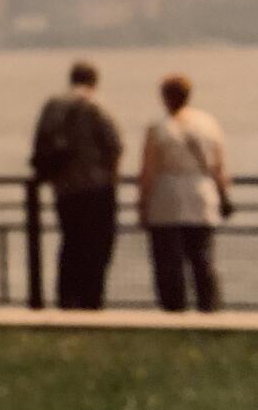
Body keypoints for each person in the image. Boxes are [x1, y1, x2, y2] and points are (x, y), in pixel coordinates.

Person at [30, 60, 123, 309]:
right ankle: (91, 300)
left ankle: (66, 299)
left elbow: (39, 145)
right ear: (94, 81)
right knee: (97, 247)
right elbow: (114, 145)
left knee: (70, 243)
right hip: (96, 188)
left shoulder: (52, 105)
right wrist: (111, 178)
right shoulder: (96, 106)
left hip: (64, 188)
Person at [138, 73, 231, 312]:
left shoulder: (158, 128)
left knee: (168, 263)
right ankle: (209, 309)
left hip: (167, 197)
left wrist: (142, 204)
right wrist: (223, 194)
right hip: (202, 195)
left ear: (165, 97)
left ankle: (174, 311)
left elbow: (149, 172)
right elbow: (220, 166)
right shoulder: (208, 123)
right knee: (202, 259)